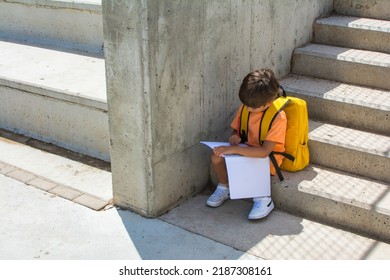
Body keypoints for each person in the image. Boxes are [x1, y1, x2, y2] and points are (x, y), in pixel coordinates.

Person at [206, 68, 287, 220]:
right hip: (246, 148)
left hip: (267, 156)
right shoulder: (246, 106)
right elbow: (236, 131)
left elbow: (264, 152)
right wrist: (235, 137)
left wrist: (234, 149)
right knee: (216, 157)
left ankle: (263, 199)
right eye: (246, 104)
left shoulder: (278, 117)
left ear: (269, 102)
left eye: (253, 107)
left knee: (253, 164)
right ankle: (224, 187)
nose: (249, 109)